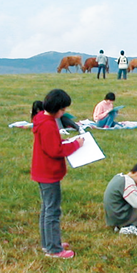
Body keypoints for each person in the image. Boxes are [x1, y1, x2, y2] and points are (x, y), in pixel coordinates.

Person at [31, 89, 85, 259]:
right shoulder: (48, 124)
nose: (64, 112)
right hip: (48, 173)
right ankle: (54, 249)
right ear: (56, 108)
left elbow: (51, 143)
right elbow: (55, 150)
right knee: (52, 211)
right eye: (63, 109)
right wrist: (75, 144)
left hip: (43, 171)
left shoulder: (42, 119)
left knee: (47, 209)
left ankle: (49, 243)